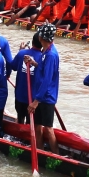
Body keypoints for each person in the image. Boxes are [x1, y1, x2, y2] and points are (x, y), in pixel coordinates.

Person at [24, 23, 61, 155]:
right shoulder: (46, 51)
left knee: (48, 128)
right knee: (38, 125)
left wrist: (36, 101)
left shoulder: (51, 54)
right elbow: (44, 69)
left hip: (45, 97)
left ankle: (56, 154)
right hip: (40, 95)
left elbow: (47, 80)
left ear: (41, 37)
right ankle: (39, 151)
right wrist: (34, 63)